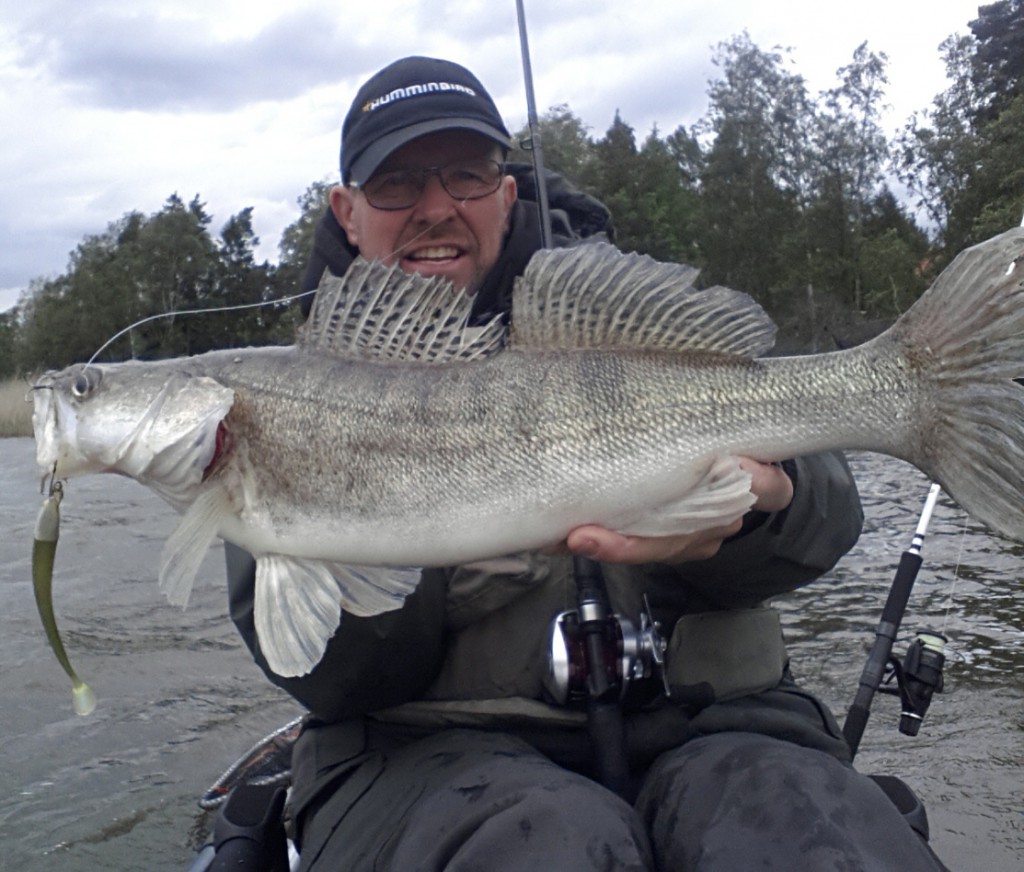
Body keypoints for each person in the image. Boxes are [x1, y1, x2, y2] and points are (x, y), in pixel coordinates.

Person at [223, 56, 950, 871]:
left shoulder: (609, 322)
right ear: (347, 212)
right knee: (547, 843)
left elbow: (828, 519)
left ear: (506, 192)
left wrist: (758, 511)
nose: (436, 207)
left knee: (808, 833)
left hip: (717, 727)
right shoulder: (281, 400)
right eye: (396, 183)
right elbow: (338, 681)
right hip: (421, 758)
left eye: (466, 174)